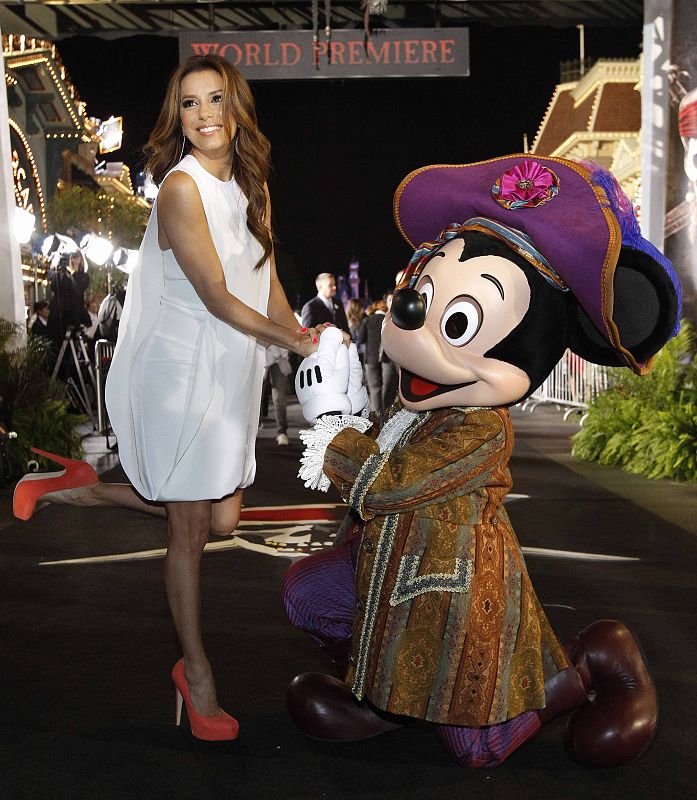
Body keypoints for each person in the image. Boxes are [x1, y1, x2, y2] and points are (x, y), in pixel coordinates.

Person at [13, 53, 322, 742]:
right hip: (182, 369)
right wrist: (288, 342)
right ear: (176, 116)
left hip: (230, 364)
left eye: (216, 99)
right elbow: (215, 295)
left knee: (221, 521)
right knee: (188, 528)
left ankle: (82, 487)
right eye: (190, 103)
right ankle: (197, 673)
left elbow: (262, 275)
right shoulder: (181, 189)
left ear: (236, 107)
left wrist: (296, 328)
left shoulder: (253, 184)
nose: (205, 114)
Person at [263, 343, 292, 445]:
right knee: (255, 396)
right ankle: (254, 427)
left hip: (278, 359)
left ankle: (282, 432)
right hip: (258, 357)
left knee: (279, 396)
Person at [345, 297, 365, 363]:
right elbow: (358, 340)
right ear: (355, 309)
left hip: (357, 353)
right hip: (358, 354)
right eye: (360, 307)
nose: (363, 310)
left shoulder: (354, 321)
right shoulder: (353, 324)